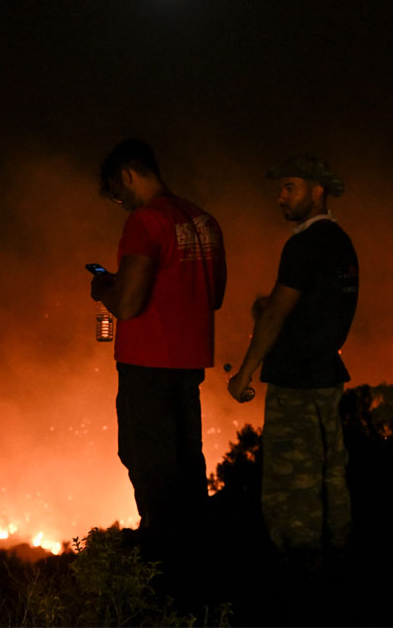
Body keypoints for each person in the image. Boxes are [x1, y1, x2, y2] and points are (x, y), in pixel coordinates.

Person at [89, 139, 227, 565]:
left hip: (147, 364)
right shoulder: (204, 220)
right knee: (187, 469)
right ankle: (198, 564)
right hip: (188, 364)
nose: (120, 202)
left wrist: (105, 288)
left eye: (117, 192)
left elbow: (128, 304)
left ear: (128, 175)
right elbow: (214, 295)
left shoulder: (145, 222)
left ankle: (164, 573)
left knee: (151, 469)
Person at [226, 155, 358, 557]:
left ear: (317, 192)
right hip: (326, 378)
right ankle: (338, 559)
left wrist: (244, 373)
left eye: (290, 187)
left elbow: (277, 314)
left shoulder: (303, 244)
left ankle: (301, 579)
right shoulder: (341, 243)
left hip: (296, 383)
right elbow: (316, 306)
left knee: (292, 491)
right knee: (330, 478)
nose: (281, 197)